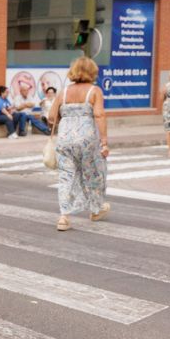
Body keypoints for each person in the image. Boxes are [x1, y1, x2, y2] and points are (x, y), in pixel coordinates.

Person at [48, 56, 109, 232]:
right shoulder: (94, 91)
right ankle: (96, 210)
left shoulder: (64, 92)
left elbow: (52, 118)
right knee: (93, 174)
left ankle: (64, 217)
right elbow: (99, 115)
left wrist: (66, 117)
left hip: (65, 140)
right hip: (87, 140)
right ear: (92, 72)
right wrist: (104, 142)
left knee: (66, 176)